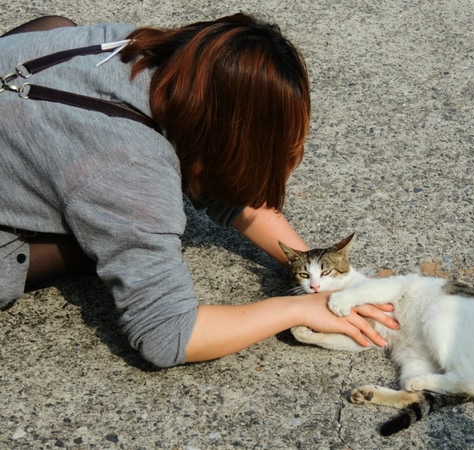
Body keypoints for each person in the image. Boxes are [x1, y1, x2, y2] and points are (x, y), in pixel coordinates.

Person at [0, 14, 399, 368]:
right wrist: (298, 307)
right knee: (102, 236)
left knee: (55, 26)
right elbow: (168, 336)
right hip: (95, 161)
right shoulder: (129, 168)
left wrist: (312, 266)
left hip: (27, 72)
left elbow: (219, 167)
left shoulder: (129, 46)